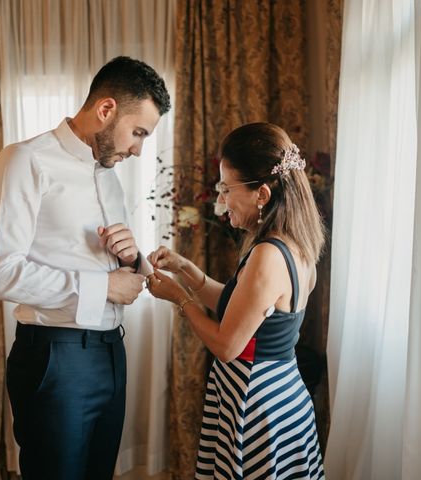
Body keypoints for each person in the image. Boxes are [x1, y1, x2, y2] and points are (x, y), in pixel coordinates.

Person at [0, 56, 171, 479]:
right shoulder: (24, 161)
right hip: (55, 359)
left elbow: (118, 276)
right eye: (138, 132)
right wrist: (102, 286)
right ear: (106, 110)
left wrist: (132, 258)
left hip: (111, 353)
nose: (138, 149)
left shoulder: (109, 176)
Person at [147, 122, 326, 479]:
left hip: (258, 401)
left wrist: (179, 298)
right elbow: (236, 304)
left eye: (227, 189)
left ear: (261, 194)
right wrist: (185, 268)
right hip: (273, 388)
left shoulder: (268, 256)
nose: (221, 200)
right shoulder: (291, 242)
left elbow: (228, 345)